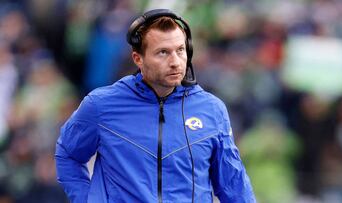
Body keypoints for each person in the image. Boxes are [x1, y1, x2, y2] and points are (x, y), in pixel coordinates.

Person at [55, 9, 256, 203]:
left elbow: (233, 184)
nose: (176, 62)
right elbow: (68, 155)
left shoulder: (212, 109)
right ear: (138, 59)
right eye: (163, 53)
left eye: (180, 50)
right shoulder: (100, 105)